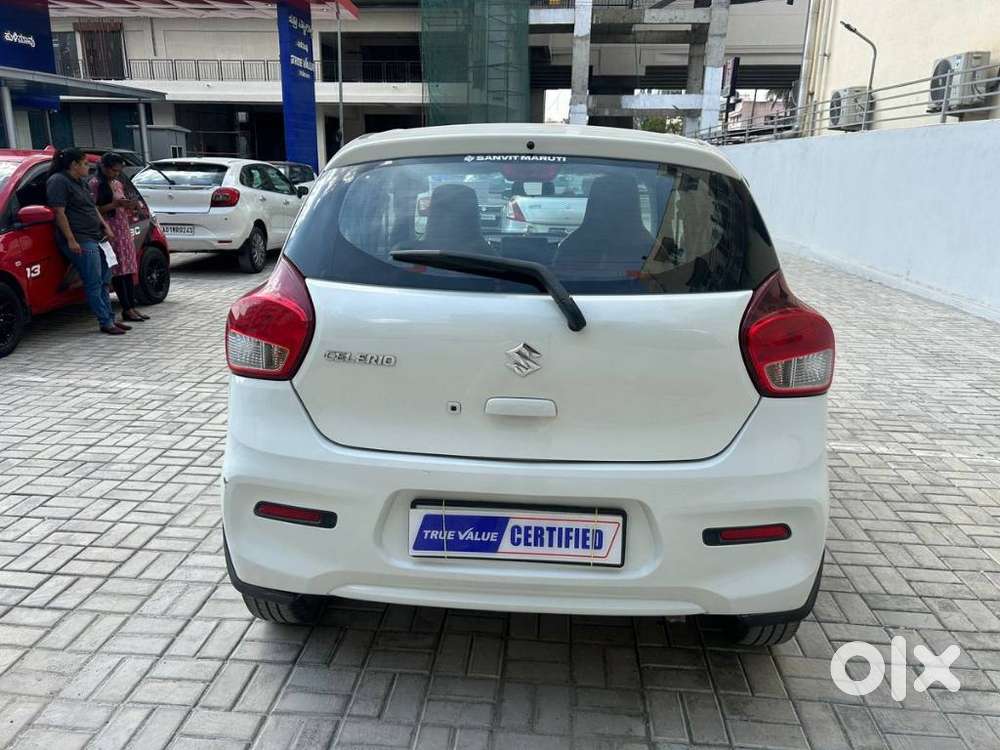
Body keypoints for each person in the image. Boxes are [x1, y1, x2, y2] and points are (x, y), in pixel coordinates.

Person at [46, 148, 128, 335]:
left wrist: (105, 227)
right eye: (84, 163)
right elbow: (60, 213)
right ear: (73, 165)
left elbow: (92, 207)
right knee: (94, 281)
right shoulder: (58, 181)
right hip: (81, 239)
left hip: (97, 237)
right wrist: (71, 240)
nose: (88, 167)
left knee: (105, 278)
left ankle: (110, 317)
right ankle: (105, 321)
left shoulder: (81, 182)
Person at [91, 153, 148, 323]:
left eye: (119, 171)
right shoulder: (95, 185)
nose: (116, 174)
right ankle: (125, 308)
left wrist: (131, 206)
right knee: (118, 272)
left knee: (128, 270)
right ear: (105, 168)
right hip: (109, 230)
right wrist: (115, 205)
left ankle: (131, 306)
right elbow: (94, 210)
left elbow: (123, 204)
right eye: (114, 170)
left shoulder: (117, 183)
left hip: (123, 229)